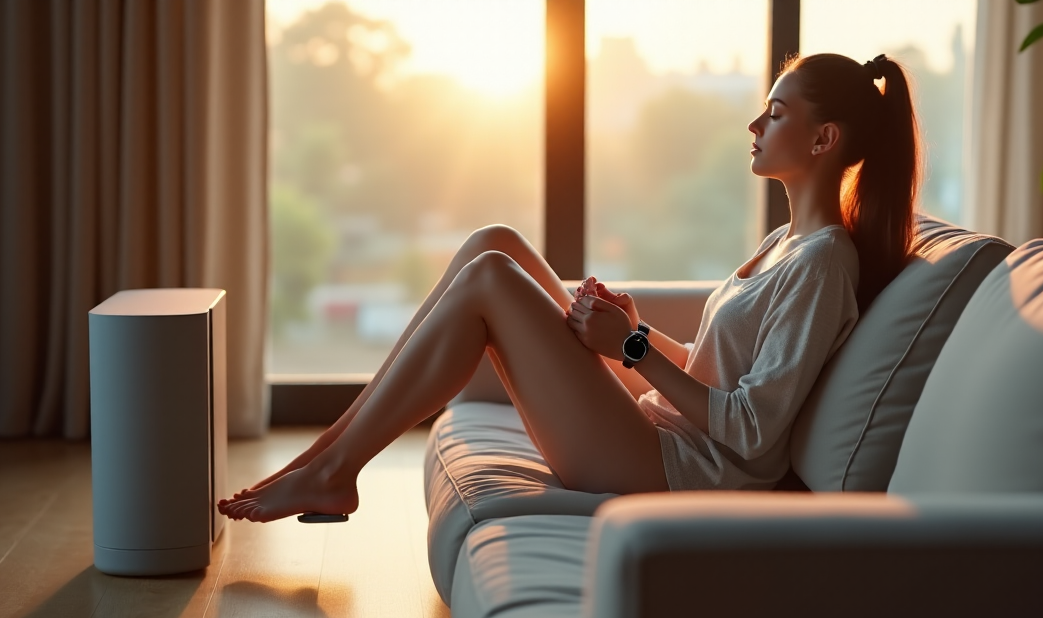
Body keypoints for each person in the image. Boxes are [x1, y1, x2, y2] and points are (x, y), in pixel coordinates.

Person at [218, 52, 920, 522]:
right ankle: (326, 458)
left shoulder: (824, 264)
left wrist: (635, 350)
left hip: (675, 474)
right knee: (494, 242)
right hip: (654, 432)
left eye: (776, 112)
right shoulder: (786, 243)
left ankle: (333, 468)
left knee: (491, 280)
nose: (754, 123)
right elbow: (721, 371)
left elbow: (754, 434)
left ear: (824, 139)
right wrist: (636, 330)